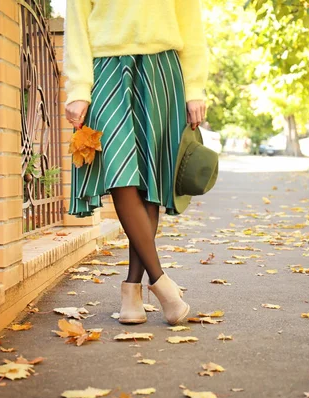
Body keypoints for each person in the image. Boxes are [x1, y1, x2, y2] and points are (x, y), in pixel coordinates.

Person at [63, 1, 209, 326]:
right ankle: (161, 283)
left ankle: (132, 291)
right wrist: (78, 87)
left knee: (150, 177)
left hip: (162, 70)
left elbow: (191, 25)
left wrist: (195, 87)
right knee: (119, 170)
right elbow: (76, 26)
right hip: (106, 70)